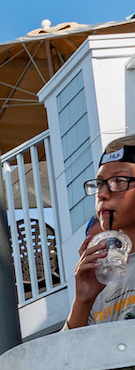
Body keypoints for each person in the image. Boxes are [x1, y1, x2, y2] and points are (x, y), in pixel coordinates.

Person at [63, 135, 135, 328]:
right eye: (99, 184)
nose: (102, 194)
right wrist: (83, 301)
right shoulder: (103, 276)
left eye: (119, 181)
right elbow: (66, 356)